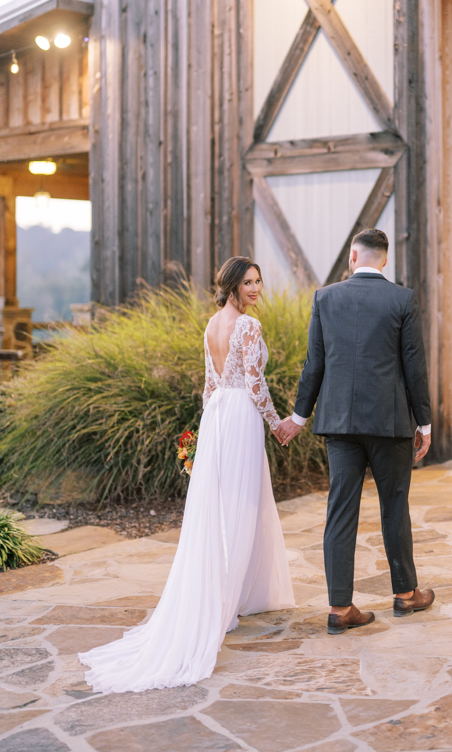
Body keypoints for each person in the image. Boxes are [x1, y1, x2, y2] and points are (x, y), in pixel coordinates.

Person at [79, 257, 295, 692]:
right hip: (239, 417)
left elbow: (208, 386)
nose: (256, 289)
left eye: (258, 281)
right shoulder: (247, 328)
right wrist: (277, 424)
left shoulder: (212, 324)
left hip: (217, 417)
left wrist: (203, 436)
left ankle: (234, 594)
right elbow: (255, 384)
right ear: (232, 285)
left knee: (225, 505)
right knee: (241, 503)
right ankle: (224, 602)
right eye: (248, 282)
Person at [278, 228, 434, 635]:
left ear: (353, 255)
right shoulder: (403, 299)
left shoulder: (325, 297)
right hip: (390, 421)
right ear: (384, 260)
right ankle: (405, 595)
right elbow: (413, 365)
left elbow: (314, 364)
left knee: (340, 509)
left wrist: (298, 416)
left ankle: (340, 607)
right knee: (394, 505)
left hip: (340, 424)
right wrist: (425, 422)